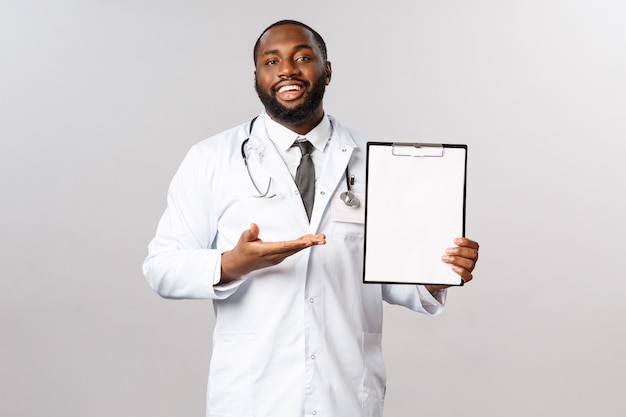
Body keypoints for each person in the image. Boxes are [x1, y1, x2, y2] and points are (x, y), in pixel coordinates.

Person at [143, 19, 480, 417]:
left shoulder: (374, 163)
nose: (287, 69)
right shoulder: (211, 159)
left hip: (345, 390)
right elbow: (161, 267)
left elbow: (388, 275)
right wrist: (230, 264)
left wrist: (432, 272)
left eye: (302, 57)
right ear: (256, 77)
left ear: (327, 71)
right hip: (252, 395)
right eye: (271, 61)